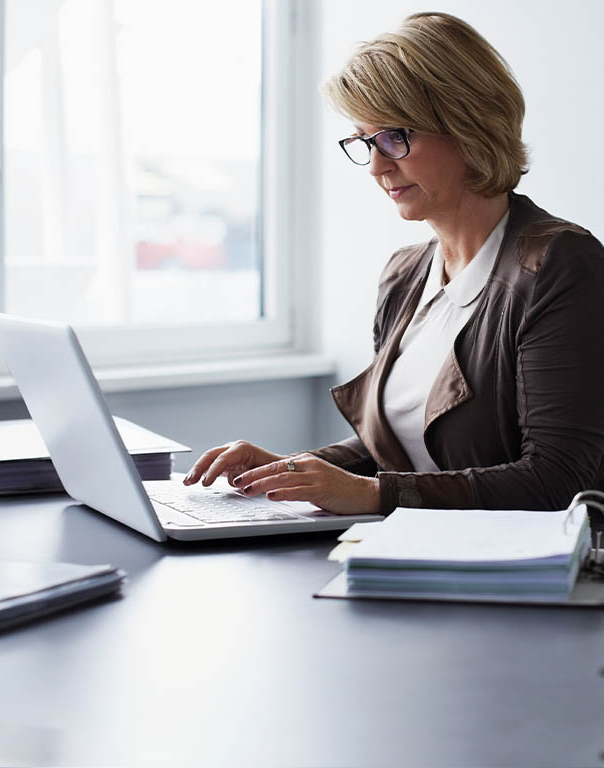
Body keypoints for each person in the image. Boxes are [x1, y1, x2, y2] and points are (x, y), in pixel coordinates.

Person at [184, 12, 604, 516]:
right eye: (365, 141)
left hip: (516, 573)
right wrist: (290, 471)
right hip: (418, 550)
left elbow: (557, 481)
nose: (379, 165)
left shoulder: (559, 264)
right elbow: (398, 451)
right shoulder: (405, 275)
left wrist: (373, 494)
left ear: (468, 126)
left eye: (395, 136)